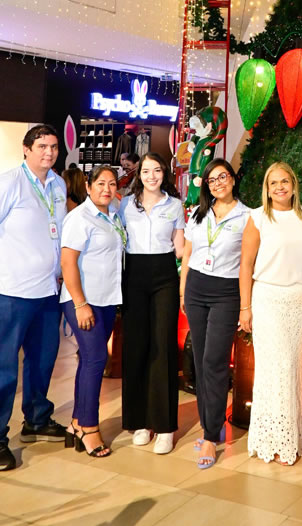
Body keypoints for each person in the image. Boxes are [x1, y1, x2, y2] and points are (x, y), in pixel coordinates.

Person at [0, 124, 68, 471]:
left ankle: (36, 420)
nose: (49, 152)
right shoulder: (5, 184)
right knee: (3, 367)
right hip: (12, 293)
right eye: (41, 146)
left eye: (53, 146)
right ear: (26, 149)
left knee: (42, 361)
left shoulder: (57, 185)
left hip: (47, 291)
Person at [239, 162, 302, 466]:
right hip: (268, 300)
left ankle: (293, 437)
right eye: (274, 183)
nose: (280, 187)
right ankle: (272, 440)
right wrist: (245, 307)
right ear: (267, 189)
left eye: (285, 181)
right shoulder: (257, 218)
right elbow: (246, 265)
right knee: (275, 369)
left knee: (294, 368)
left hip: (299, 301)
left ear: (294, 185)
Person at [180, 158, 250, 468]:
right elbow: (188, 253)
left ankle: (211, 434)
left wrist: (246, 304)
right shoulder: (200, 213)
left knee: (215, 361)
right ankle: (210, 426)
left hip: (226, 292)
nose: (218, 183)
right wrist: (183, 290)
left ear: (233, 179)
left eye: (223, 177)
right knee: (199, 360)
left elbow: (248, 263)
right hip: (196, 288)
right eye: (212, 180)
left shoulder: (248, 217)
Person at [120, 152, 185, 455]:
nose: (151, 176)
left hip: (163, 276)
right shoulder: (125, 205)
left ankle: (165, 426)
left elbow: (180, 248)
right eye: (146, 171)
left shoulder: (175, 205)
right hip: (133, 275)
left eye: (157, 170)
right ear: (139, 174)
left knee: (163, 346)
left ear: (164, 173)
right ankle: (140, 421)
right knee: (137, 347)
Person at [60, 165, 125, 458]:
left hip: (107, 299)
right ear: (88, 187)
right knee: (97, 359)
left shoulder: (113, 216)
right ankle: (89, 427)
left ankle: (76, 423)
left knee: (90, 360)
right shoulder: (79, 218)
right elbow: (67, 262)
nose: (106, 189)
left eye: (112, 184)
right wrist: (80, 303)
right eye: (100, 183)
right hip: (83, 301)